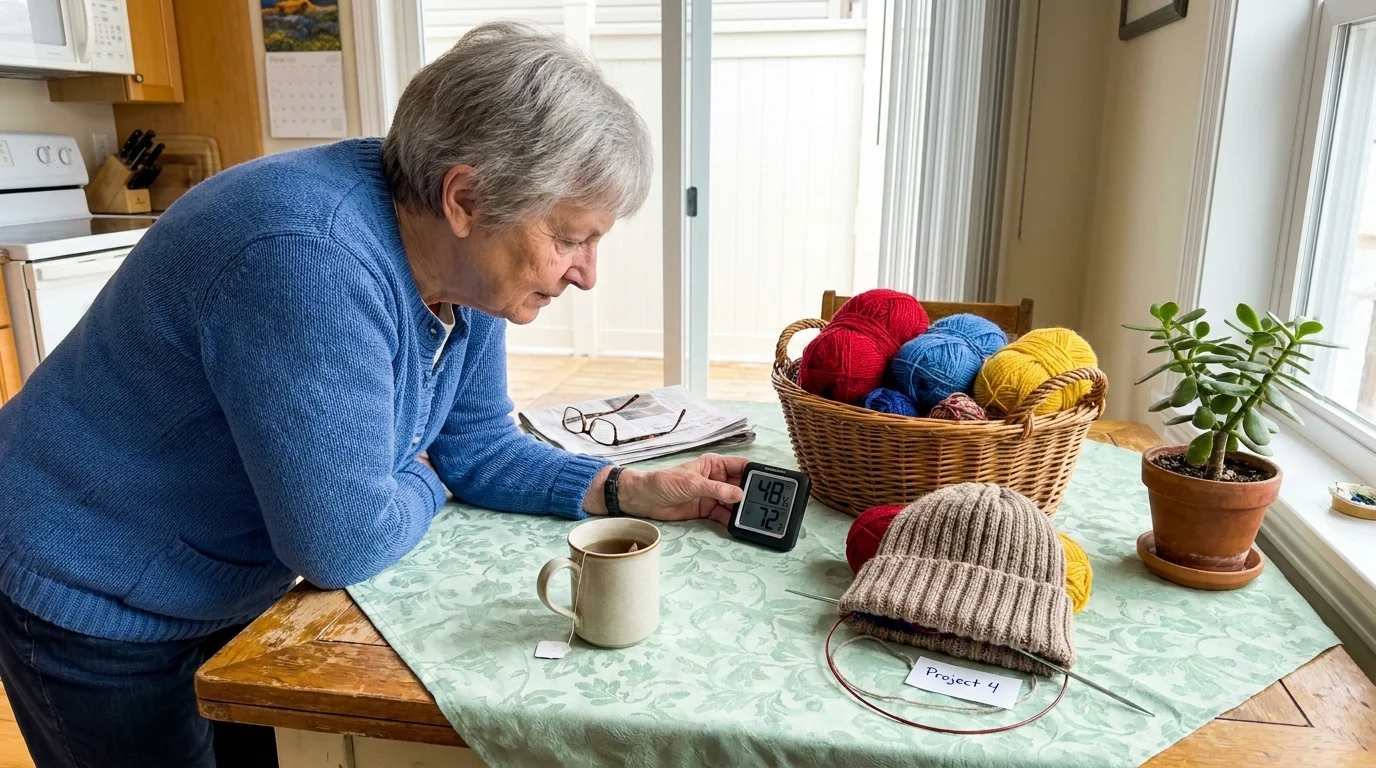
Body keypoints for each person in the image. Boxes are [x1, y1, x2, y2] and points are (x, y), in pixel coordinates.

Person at [0, 22, 749, 768]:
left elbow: (476, 449)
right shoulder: (308, 259)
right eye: (570, 237)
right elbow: (341, 542)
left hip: (216, 574)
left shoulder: (467, 272)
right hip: (90, 582)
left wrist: (629, 489)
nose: (587, 273)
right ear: (466, 197)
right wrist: (425, 475)